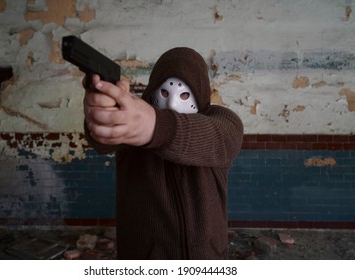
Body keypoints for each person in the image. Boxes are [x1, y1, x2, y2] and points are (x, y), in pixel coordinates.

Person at [83, 47, 244, 259]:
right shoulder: (133, 118)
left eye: (185, 94)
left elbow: (222, 139)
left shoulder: (222, 121)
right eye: (165, 92)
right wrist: (102, 115)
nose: (172, 104)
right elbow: (102, 141)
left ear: (200, 92)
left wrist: (156, 127)